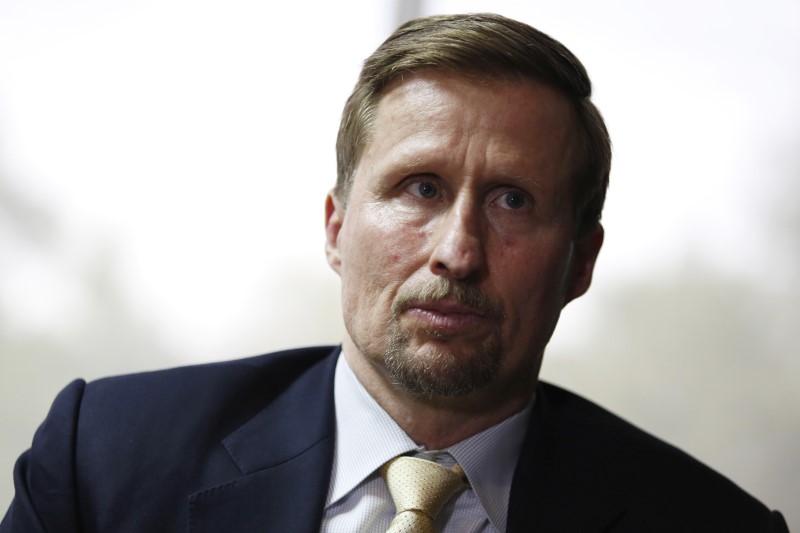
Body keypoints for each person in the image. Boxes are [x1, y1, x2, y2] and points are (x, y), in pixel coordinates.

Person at [1, 13, 789, 533]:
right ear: (337, 227)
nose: (458, 251)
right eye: (421, 188)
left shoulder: (711, 525)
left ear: (580, 261)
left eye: (514, 200)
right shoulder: (102, 463)